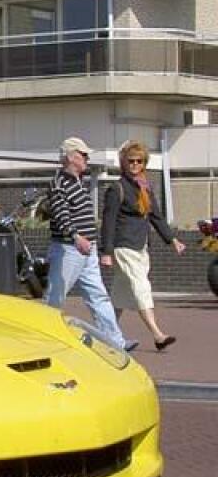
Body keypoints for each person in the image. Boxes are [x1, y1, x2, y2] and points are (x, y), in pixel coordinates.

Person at [43, 137, 133, 351]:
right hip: (69, 249)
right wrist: (76, 237)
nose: (87, 159)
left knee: (97, 294)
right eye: (83, 155)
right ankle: (44, 337)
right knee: (56, 296)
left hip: (86, 249)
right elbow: (61, 214)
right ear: (71, 157)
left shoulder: (77, 181)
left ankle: (116, 341)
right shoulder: (59, 183)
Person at [100, 140, 186, 351]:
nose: (135, 164)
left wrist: (172, 239)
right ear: (123, 163)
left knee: (120, 294)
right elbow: (108, 221)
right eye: (131, 161)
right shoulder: (116, 188)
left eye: (139, 161)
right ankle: (158, 335)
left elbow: (156, 216)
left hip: (140, 247)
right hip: (124, 246)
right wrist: (106, 252)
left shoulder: (145, 187)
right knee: (141, 287)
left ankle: (103, 334)